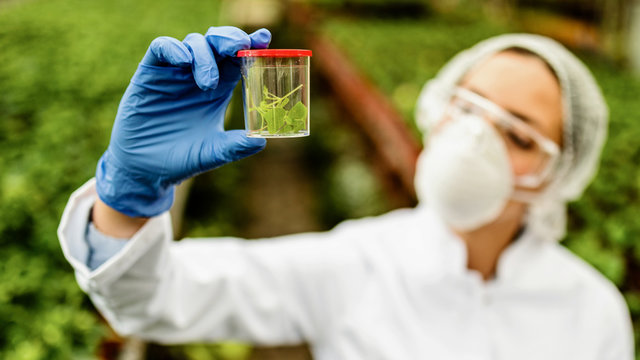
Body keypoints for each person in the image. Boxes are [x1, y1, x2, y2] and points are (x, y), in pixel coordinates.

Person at [58, 26, 634, 359]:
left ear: (559, 172)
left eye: (516, 133)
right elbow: (155, 301)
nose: (474, 138)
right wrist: (128, 195)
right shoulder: (356, 261)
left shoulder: (593, 312)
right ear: (435, 111)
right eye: (466, 107)